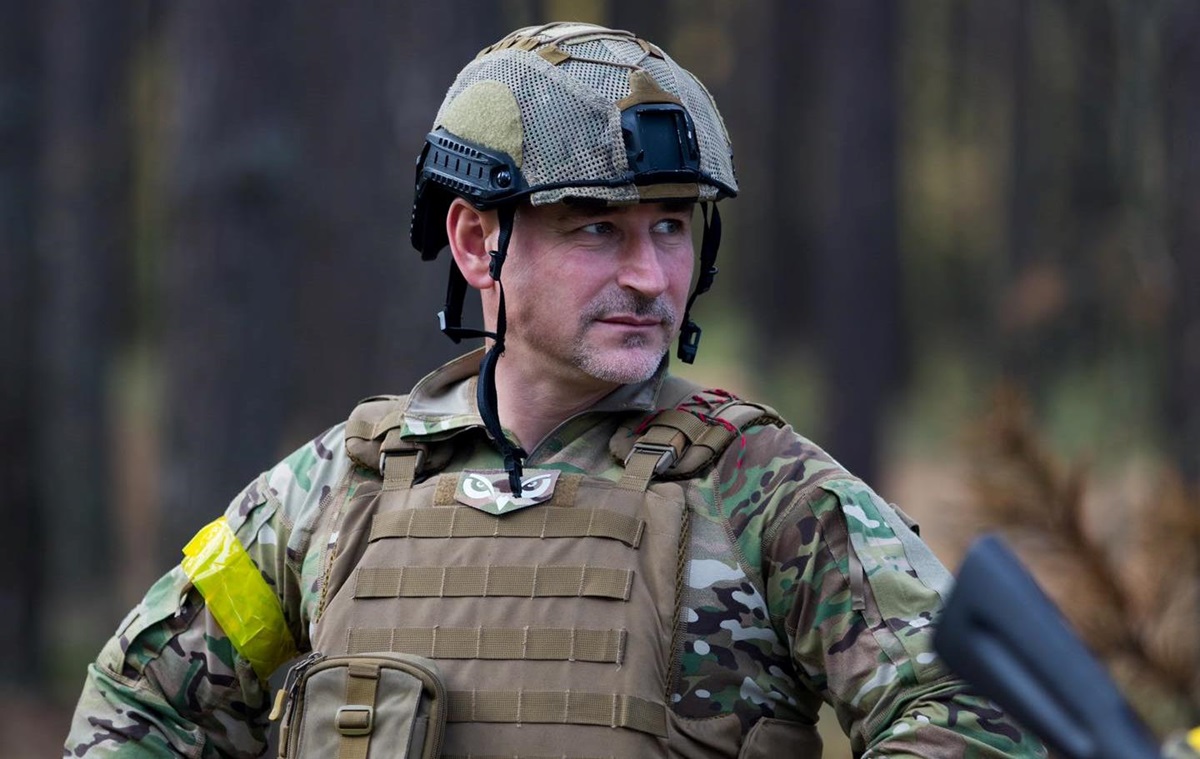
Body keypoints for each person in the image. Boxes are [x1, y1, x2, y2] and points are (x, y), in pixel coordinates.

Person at [65, 22, 1045, 758]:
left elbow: (976, 712)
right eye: (598, 229)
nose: (650, 276)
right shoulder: (334, 490)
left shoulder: (769, 493)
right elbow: (140, 703)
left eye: (671, 226)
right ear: (475, 242)